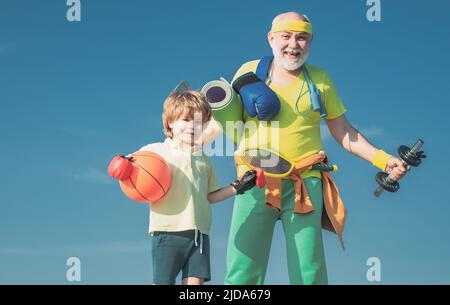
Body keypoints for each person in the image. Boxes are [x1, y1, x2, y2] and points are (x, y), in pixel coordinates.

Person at [225, 12, 409, 285]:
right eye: (286, 36)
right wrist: (184, 145)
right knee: (242, 271)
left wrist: (383, 160)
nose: (293, 44)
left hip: (304, 182)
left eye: (302, 37)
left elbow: (344, 131)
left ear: (310, 41)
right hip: (255, 180)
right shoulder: (248, 72)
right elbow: (223, 118)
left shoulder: (321, 81)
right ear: (271, 38)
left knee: (308, 272)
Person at [109, 87, 264, 285]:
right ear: (170, 122)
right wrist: (120, 165)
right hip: (166, 232)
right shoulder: (154, 151)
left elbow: (209, 196)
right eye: (186, 119)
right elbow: (121, 168)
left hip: (199, 234)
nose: (192, 126)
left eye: (199, 122)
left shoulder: (203, 159)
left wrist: (238, 186)